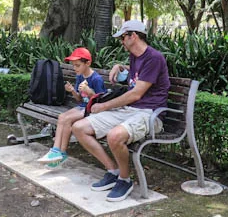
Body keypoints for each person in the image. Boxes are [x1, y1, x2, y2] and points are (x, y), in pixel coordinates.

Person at [72, 20, 170, 202]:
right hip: (129, 110)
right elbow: (135, 76)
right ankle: (113, 170)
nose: (121, 41)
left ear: (133, 36)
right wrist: (120, 66)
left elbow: (136, 94)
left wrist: (104, 106)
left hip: (149, 114)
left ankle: (125, 180)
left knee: (114, 136)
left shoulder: (154, 58)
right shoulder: (135, 56)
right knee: (79, 128)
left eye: (123, 37)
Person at [37, 47, 106, 168]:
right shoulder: (80, 76)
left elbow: (101, 101)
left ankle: (61, 153)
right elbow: (79, 99)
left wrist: (90, 92)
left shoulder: (96, 79)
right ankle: (56, 151)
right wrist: (73, 90)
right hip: (82, 106)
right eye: (73, 65)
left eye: (77, 65)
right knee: (62, 117)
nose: (75, 68)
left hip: (92, 110)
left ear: (88, 63)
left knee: (67, 119)